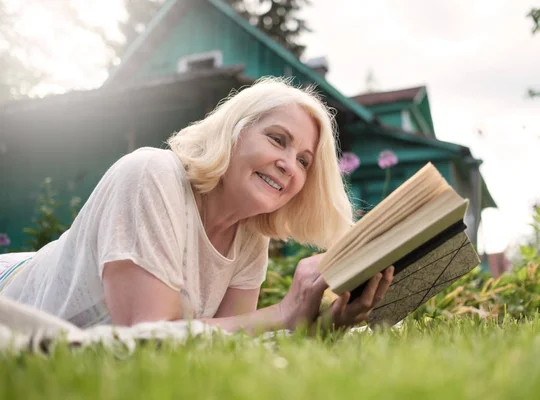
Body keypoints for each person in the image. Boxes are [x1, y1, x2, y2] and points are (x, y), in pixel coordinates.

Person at [0, 77, 393, 334]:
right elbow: (148, 338)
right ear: (233, 133)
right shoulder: (150, 173)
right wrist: (286, 311)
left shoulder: (249, 233)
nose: (289, 164)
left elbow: (222, 342)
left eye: (304, 160)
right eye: (277, 139)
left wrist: (320, 323)